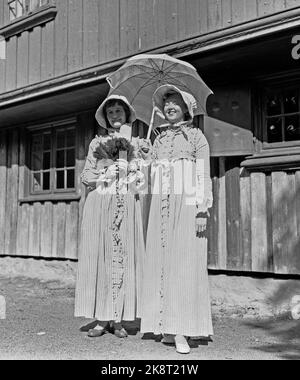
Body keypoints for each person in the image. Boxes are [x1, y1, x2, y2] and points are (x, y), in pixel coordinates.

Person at [140, 85, 213, 354]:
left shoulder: (196, 137)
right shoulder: (158, 139)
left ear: (186, 108)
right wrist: (148, 159)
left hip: (187, 205)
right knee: (163, 263)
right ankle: (168, 327)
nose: (170, 106)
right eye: (167, 102)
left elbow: (202, 174)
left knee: (184, 264)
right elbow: (154, 177)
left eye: (176, 101)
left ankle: (183, 330)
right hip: (161, 207)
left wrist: (202, 209)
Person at [74, 95, 146, 338]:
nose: (116, 116)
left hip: (126, 203)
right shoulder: (98, 143)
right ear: (106, 118)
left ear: (127, 115)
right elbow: (86, 177)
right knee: (101, 259)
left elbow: (143, 182)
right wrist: (107, 173)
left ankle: (119, 320)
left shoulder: (136, 143)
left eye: (119, 111)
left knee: (123, 258)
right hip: (101, 203)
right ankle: (102, 319)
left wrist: (137, 166)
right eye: (111, 112)